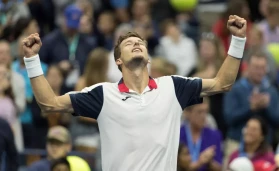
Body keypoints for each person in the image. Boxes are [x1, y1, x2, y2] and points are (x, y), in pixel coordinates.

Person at [22, 15, 247, 171]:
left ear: (148, 57)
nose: (136, 43)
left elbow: (222, 83)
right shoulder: (103, 94)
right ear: (118, 60)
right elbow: (49, 104)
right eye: (129, 44)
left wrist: (237, 40)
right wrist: (32, 60)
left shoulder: (173, 86)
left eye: (140, 42)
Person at [223, 50, 279, 161]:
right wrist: (250, 108)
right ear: (247, 67)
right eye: (256, 67)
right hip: (237, 143)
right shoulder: (235, 89)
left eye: (263, 67)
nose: (260, 71)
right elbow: (228, 118)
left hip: (264, 148)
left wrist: (266, 106)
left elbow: (277, 121)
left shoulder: (271, 91)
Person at [180, 100, 222, 171]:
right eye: (199, 112)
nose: (203, 116)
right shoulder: (178, 134)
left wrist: (209, 162)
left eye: (206, 112)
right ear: (187, 113)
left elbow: (219, 168)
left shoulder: (215, 135)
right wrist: (200, 161)